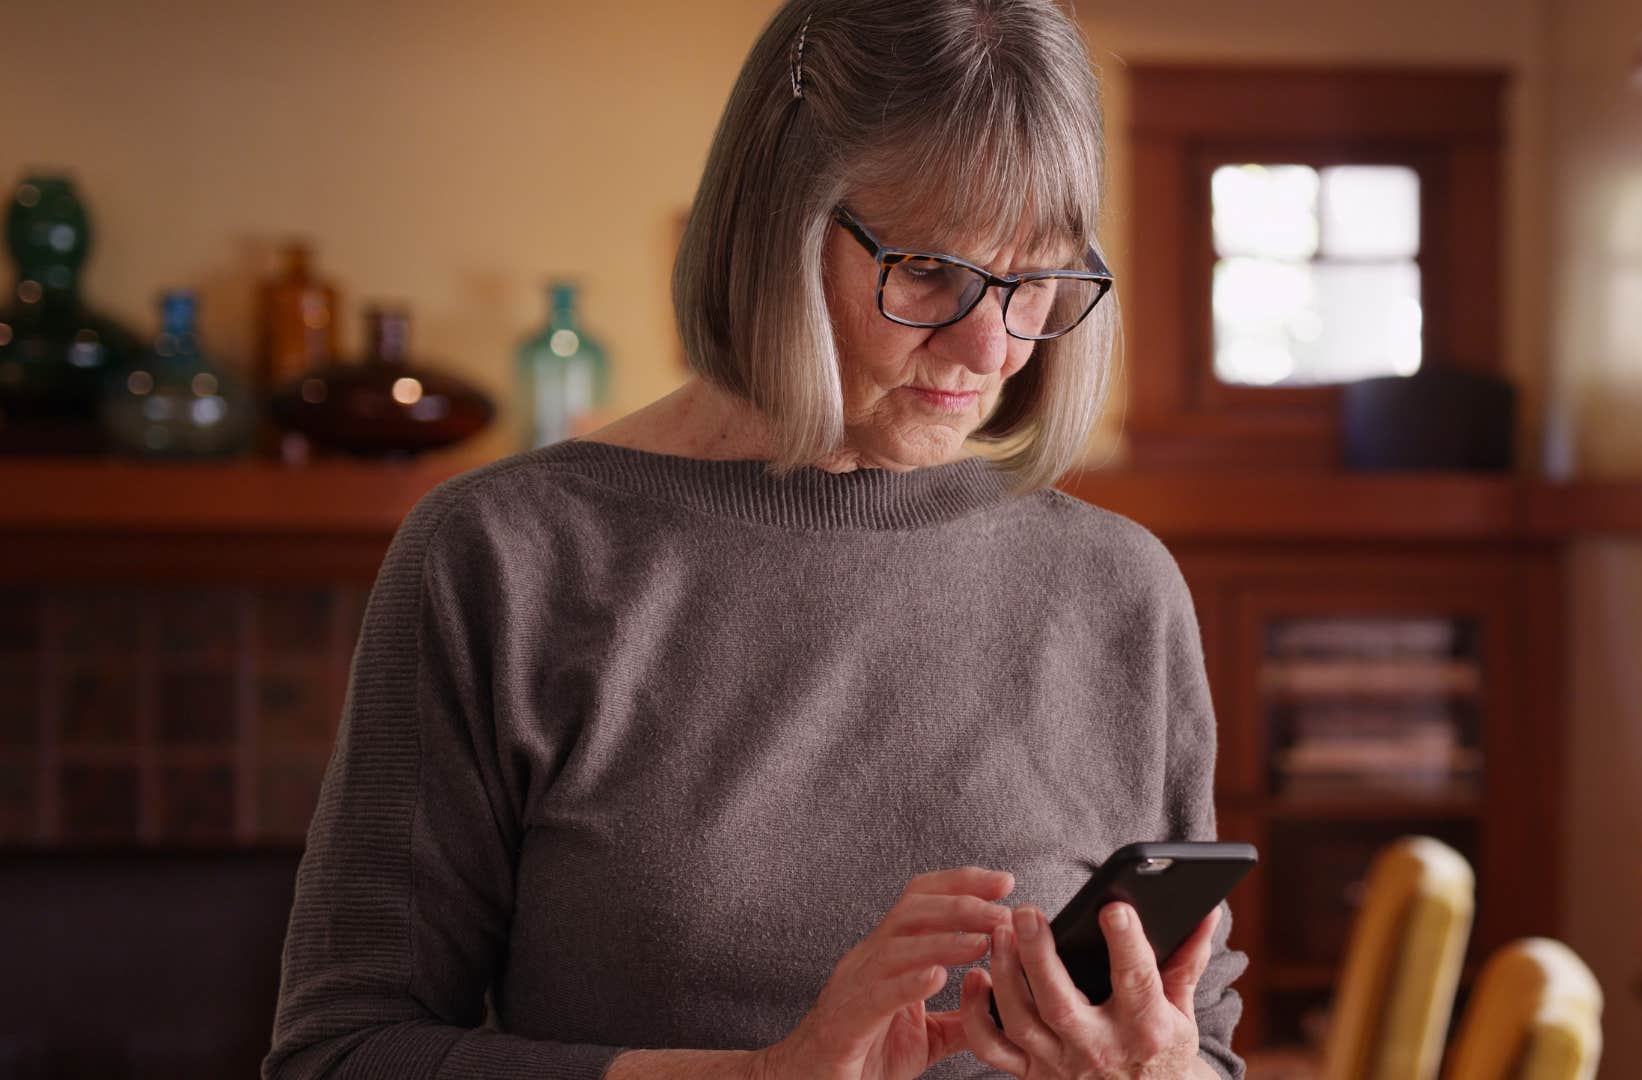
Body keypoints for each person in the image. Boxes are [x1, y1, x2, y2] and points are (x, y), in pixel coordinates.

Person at [262, 1, 1249, 1078]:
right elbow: (342, 1055)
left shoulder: (1116, 585)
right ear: (775, 227)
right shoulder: (504, 555)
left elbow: (1199, 1044)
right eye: (927, 271)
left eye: (1038, 280)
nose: (991, 345)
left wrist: (1159, 1073)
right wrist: (757, 1077)